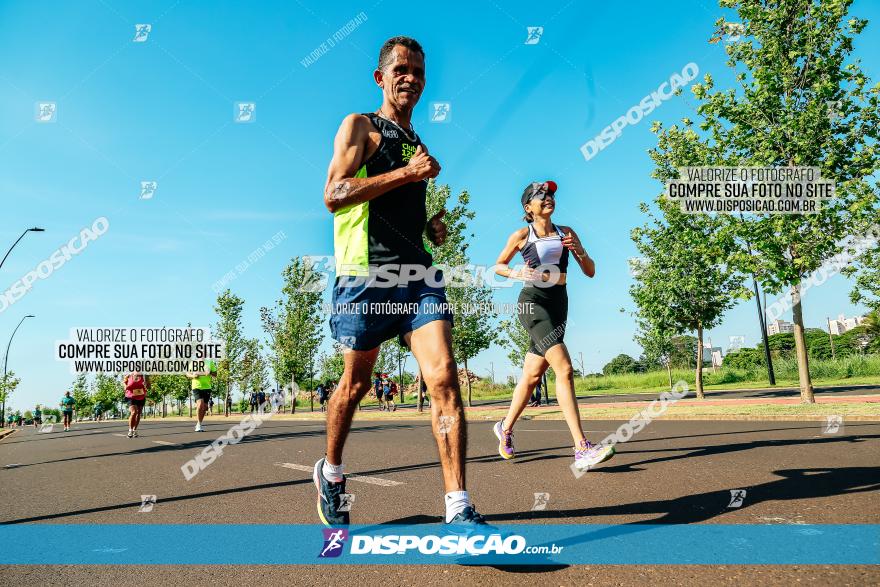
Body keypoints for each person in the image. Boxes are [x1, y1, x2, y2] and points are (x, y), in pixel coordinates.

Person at [313, 36, 484, 528]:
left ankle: (458, 508)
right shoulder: (359, 126)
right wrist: (409, 175)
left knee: (444, 377)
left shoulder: (418, 143)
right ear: (381, 78)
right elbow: (335, 193)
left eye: (418, 72)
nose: (411, 78)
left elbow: (400, 208)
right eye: (401, 70)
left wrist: (429, 224)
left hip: (417, 273)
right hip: (366, 274)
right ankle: (332, 471)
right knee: (356, 383)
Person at [491, 180, 615, 472]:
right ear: (528, 207)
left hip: (559, 304)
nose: (548, 198)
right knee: (564, 368)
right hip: (532, 304)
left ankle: (505, 428)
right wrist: (516, 272)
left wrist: (579, 250)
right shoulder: (523, 235)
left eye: (550, 195)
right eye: (540, 196)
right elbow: (498, 265)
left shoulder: (567, 232)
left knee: (533, 376)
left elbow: (591, 271)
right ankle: (581, 448)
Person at [186, 359, 217, 432]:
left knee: (205, 407)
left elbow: (215, 374)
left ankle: (199, 423)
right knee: (200, 405)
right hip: (197, 386)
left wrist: (210, 372)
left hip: (207, 387)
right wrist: (193, 376)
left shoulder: (209, 362)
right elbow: (187, 373)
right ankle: (199, 425)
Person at [123, 370, 149, 437]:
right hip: (131, 396)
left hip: (141, 396)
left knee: (139, 414)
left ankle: (135, 430)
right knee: (134, 412)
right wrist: (126, 387)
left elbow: (148, 386)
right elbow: (124, 384)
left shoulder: (144, 376)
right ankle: (130, 430)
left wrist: (146, 384)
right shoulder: (129, 375)